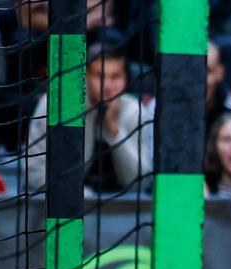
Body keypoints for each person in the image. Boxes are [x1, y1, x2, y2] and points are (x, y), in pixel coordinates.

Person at [27, 40, 154, 195]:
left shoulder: (133, 110)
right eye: (100, 76)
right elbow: (34, 171)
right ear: (85, 76)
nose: (107, 85)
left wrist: (114, 131)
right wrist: (81, 196)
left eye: (115, 77)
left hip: (117, 209)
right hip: (52, 204)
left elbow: (140, 182)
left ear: (125, 79)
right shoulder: (58, 103)